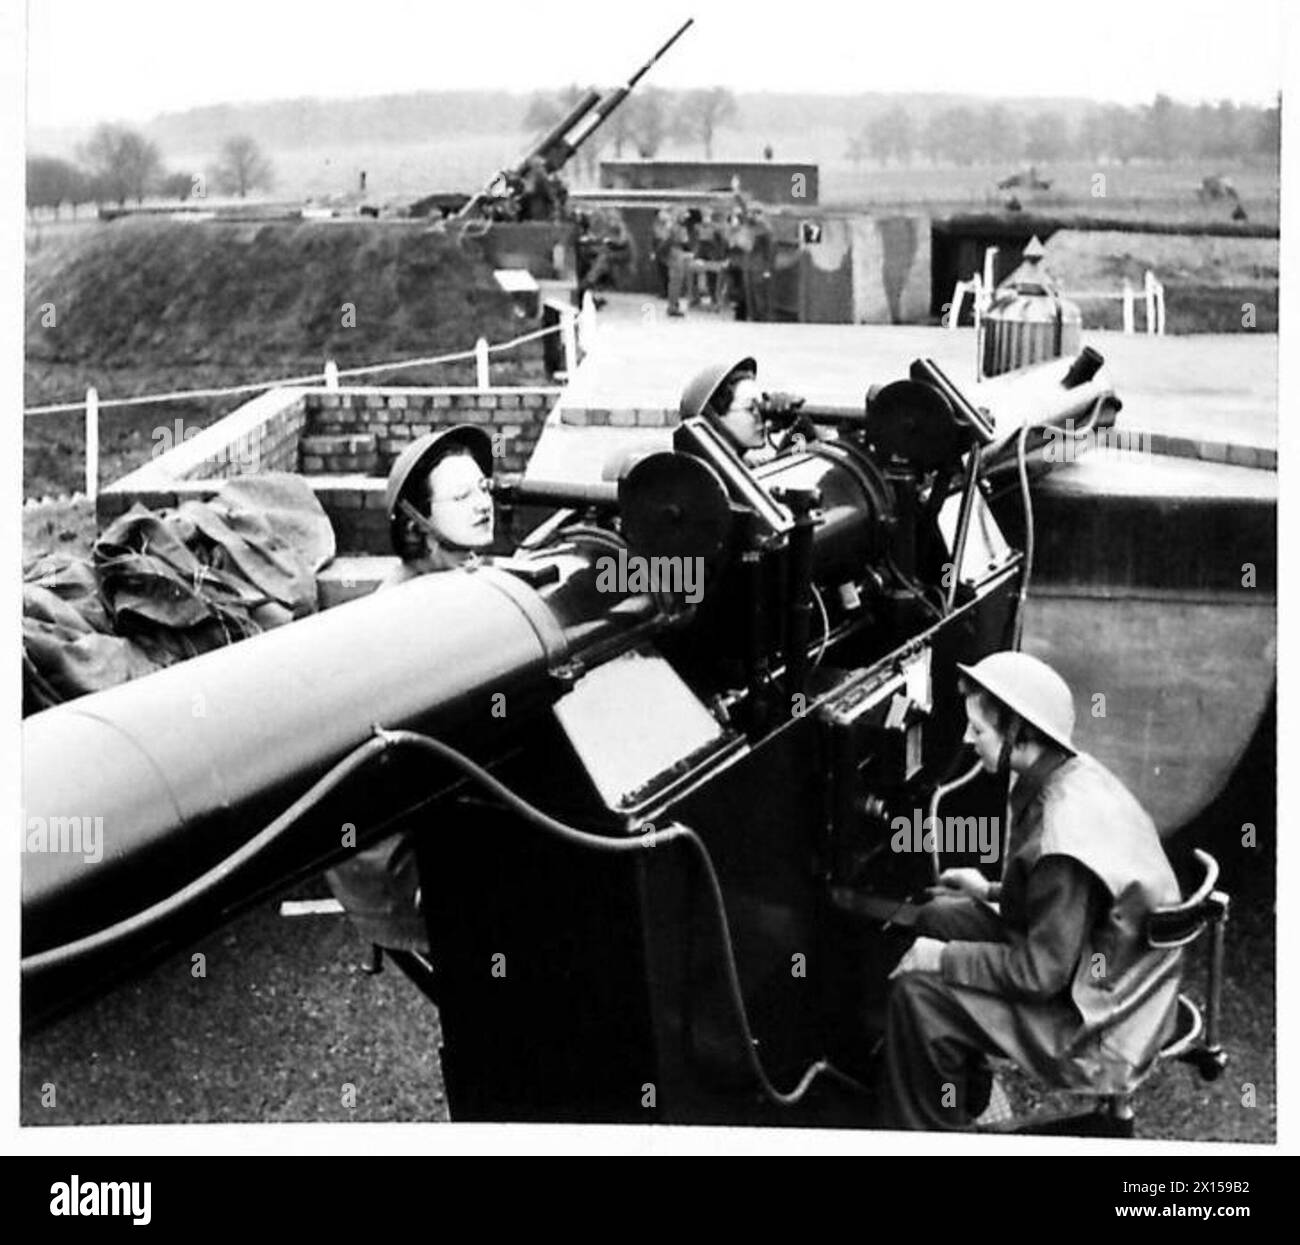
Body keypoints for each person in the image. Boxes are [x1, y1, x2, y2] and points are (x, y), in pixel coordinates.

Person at [881, 650, 1184, 1130]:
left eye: (978, 730)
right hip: (1093, 970)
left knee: (918, 997)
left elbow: (1039, 973)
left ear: (1019, 733)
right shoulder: (1075, 774)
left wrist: (939, 960)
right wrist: (992, 891)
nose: (968, 740)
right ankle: (962, 1082)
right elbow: (1074, 901)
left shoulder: (1059, 837)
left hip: (1094, 1024)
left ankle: (924, 1132)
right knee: (939, 914)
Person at [324, 425, 496, 953]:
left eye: (484, 488)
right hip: (401, 863)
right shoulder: (403, 617)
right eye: (462, 496)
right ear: (416, 525)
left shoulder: (457, 580)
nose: (482, 503)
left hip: (431, 825)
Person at [678, 357, 768, 459]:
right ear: (714, 419)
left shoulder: (739, 467)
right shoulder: (701, 473)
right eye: (750, 408)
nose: (761, 415)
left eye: (761, 405)